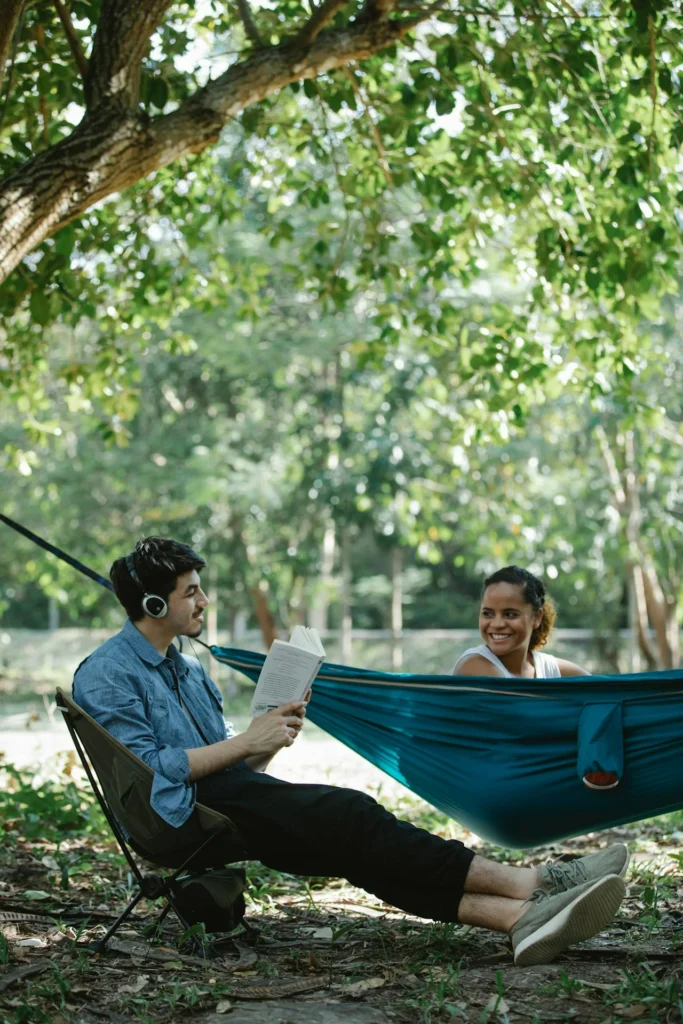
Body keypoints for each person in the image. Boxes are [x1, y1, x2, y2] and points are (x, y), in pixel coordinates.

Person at [74, 538, 628, 967]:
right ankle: (534, 883)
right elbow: (152, 776)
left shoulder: (189, 669)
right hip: (173, 821)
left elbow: (234, 768)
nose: (204, 600)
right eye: (191, 591)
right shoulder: (107, 673)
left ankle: (516, 920)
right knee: (352, 814)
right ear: (153, 602)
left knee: (353, 847)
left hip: (222, 801)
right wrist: (246, 743)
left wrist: (269, 735)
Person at [452, 565, 590, 679]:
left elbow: (603, 691)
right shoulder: (473, 665)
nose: (497, 624)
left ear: (537, 617)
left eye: (510, 614)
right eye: (488, 613)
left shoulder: (548, 668)